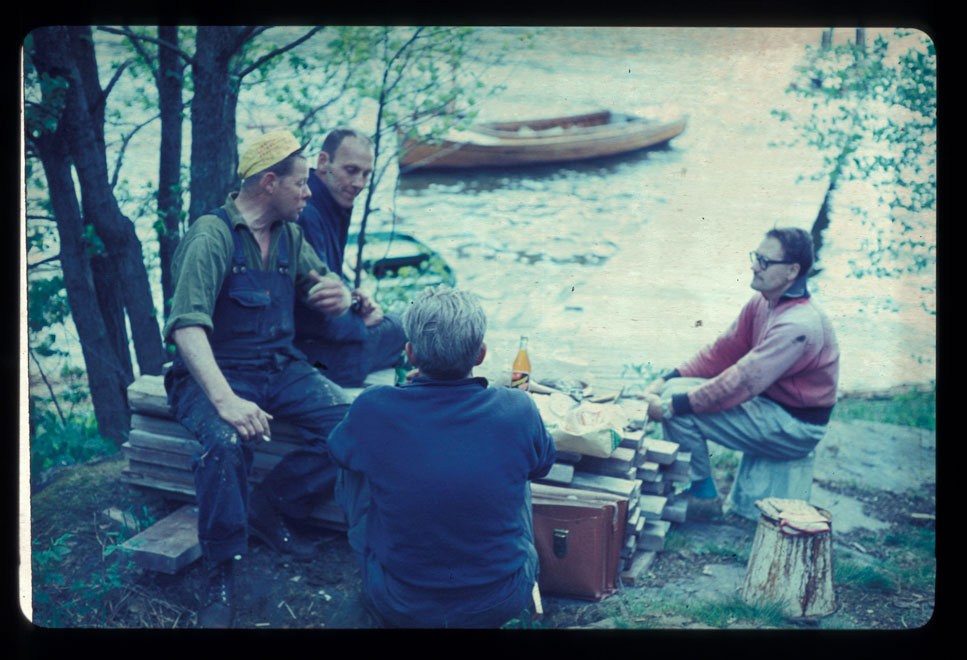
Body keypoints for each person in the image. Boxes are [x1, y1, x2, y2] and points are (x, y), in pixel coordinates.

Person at [163, 130, 355, 628]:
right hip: (214, 377)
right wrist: (225, 401)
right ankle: (220, 570)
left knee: (355, 426)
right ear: (269, 183)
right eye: (300, 184)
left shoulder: (290, 234)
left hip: (280, 368)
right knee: (225, 444)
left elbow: (321, 281)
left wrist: (338, 292)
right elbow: (186, 328)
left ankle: (271, 507)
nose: (309, 193)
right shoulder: (212, 237)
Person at [327, 285, 556, 628]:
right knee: (519, 466)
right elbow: (543, 466)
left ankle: (373, 563)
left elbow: (336, 450)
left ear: (410, 354)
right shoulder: (518, 408)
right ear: (480, 354)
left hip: (400, 602)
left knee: (353, 459)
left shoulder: (374, 407)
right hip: (501, 601)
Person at [642, 227, 840, 520]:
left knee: (681, 410)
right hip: (772, 408)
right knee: (677, 390)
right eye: (755, 257)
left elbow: (741, 382)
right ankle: (700, 489)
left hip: (795, 427)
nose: (753, 265)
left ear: (791, 271)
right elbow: (721, 352)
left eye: (763, 261)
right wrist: (665, 380)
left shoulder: (798, 324)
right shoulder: (764, 302)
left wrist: (669, 408)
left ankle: (703, 497)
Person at [293, 128, 407, 387]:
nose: (359, 183)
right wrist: (361, 321)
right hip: (319, 357)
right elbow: (315, 308)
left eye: (366, 174)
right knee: (412, 321)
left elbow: (328, 283)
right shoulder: (307, 213)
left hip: (320, 348)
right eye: (351, 170)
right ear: (323, 162)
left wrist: (353, 299)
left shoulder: (330, 204)